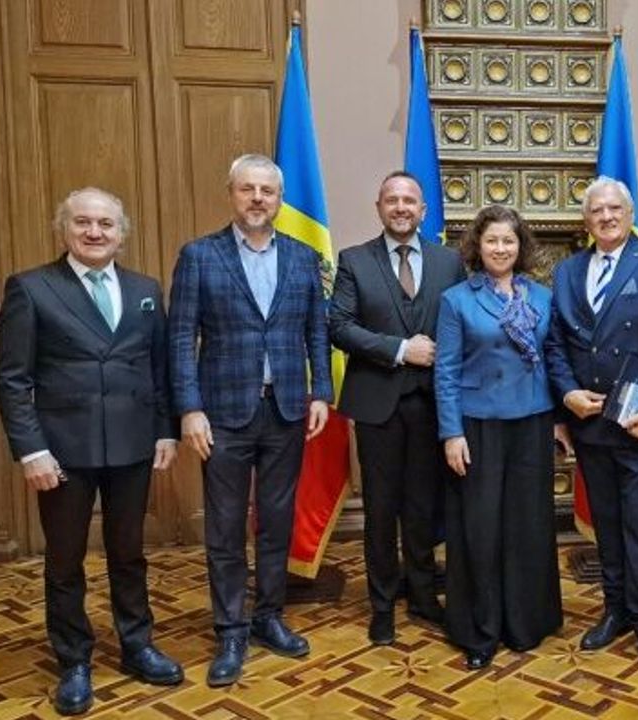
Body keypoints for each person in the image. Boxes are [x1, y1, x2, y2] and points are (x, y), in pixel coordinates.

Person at [0, 188, 183, 715]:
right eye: (84, 223)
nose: (95, 232)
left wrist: (165, 430)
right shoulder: (31, 289)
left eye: (105, 224)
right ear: (65, 229)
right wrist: (31, 450)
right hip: (63, 453)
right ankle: (74, 659)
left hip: (131, 447)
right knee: (64, 559)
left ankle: (137, 644)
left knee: (129, 554)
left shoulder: (146, 289)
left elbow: (159, 368)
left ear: (121, 233)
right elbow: (12, 380)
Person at [168, 154, 332, 687]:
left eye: (267, 190)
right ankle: (232, 629)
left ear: (279, 199)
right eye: (248, 189)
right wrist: (190, 408)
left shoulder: (305, 258)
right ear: (231, 194)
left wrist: (321, 394)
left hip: (286, 409)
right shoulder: (199, 256)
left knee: (277, 521)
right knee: (224, 526)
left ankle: (269, 616)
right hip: (223, 414)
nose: (258, 198)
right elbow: (180, 339)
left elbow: (316, 334)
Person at [544, 176, 638, 677]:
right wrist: (566, 396)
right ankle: (616, 612)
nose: (605, 217)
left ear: (630, 213)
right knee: (606, 527)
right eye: (596, 211)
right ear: (585, 220)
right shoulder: (566, 272)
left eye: (614, 209)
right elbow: (556, 346)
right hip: (591, 426)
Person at [328, 171, 465, 646]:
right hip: (377, 406)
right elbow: (339, 326)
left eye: (410, 200)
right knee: (381, 511)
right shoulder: (354, 261)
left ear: (424, 210)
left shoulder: (450, 262)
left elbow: (462, 322)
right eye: (392, 200)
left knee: (424, 508)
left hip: (433, 406)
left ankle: (425, 598)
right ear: (379, 207)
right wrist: (401, 349)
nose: (401, 207)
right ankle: (382, 605)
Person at [434, 205, 566, 670]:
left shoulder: (542, 297)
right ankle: (480, 630)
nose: (500, 248)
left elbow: (553, 359)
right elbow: (445, 372)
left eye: (509, 241)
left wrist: (560, 421)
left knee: (528, 525)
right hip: (477, 427)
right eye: (491, 240)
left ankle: (526, 623)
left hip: (532, 423)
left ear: (521, 246)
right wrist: (450, 432)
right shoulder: (457, 300)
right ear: (477, 245)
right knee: (480, 528)